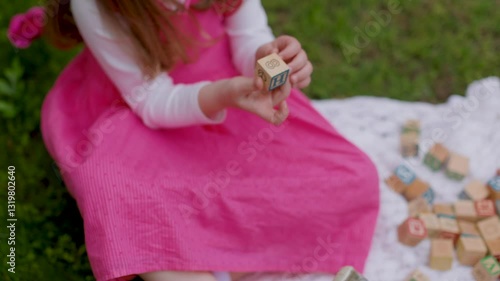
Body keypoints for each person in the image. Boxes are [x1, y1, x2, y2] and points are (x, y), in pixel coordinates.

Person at [35, 0, 380, 280]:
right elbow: (152, 100)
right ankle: (191, 256)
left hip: (230, 94)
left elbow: (248, 36)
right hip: (141, 113)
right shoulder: (97, 5)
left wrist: (267, 59)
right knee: (116, 191)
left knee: (354, 180)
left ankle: (204, 256)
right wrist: (223, 94)